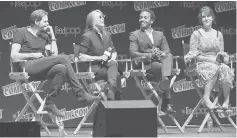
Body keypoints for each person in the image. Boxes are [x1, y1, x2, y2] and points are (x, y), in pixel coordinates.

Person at [11, 9, 100, 117]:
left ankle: (49, 102)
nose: (48, 24)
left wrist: (52, 36)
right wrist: (32, 55)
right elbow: (14, 56)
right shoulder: (21, 32)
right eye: (45, 21)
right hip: (26, 67)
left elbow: (54, 55)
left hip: (40, 67)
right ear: (36, 22)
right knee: (63, 59)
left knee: (61, 68)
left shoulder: (44, 36)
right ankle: (81, 94)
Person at [184, 6, 234, 110]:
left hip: (216, 62)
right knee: (214, 67)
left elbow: (221, 51)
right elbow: (193, 54)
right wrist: (210, 60)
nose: (206, 19)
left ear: (212, 18)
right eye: (203, 17)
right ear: (200, 19)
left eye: (208, 16)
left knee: (226, 69)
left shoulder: (218, 34)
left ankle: (226, 101)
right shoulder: (196, 34)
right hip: (201, 62)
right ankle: (206, 99)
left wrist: (223, 57)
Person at [129, 9, 175, 113]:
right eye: (140, 17)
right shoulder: (135, 34)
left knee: (169, 56)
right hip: (145, 64)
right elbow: (133, 53)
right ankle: (166, 102)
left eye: (145, 17)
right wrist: (151, 54)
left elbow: (167, 51)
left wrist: (161, 53)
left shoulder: (159, 34)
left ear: (152, 21)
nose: (142, 19)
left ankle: (163, 85)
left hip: (160, 62)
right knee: (167, 72)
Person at [74, 9, 122, 100]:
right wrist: (99, 58)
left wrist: (113, 58)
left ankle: (111, 92)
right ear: (91, 21)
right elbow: (81, 57)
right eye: (99, 17)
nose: (102, 18)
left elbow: (114, 51)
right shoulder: (87, 36)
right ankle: (116, 98)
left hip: (109, 66)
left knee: (113, 64)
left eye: (103, 16)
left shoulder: (107, 34)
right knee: (117, 74)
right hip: (95, 68)